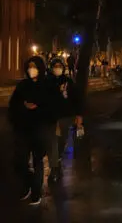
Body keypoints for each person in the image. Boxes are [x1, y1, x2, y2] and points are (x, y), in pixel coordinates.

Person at [8, 56, 61, 205]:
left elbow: (54, 107)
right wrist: (23, 107)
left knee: (38, 160)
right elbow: (13, 106)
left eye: (34, 66)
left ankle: (36, 191)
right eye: (29, 66)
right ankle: (28, 184)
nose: (32, 69)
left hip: (40, 129)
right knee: (20, 161)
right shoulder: (23, 86)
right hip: (23, 129)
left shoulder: (48, 86)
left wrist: (39, 108)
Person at [47, 58, 85, 182]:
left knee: (61, 141)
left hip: (66, 117)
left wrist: (79, 115)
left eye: (59, 66)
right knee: (53, 142)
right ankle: (54, 169)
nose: (57, 68)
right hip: (51, 118)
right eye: (55, 66)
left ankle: (57, 160)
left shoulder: (68, 82)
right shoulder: (47, 82)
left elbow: (76, 99)